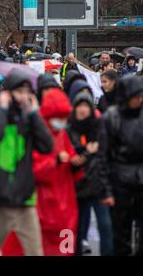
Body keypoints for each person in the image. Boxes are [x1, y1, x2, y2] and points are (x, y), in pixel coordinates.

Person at [0, 71, 53, 256]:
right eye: (19, 90)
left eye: (27, 91)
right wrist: (2, 110)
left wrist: (34, 114)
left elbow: (47, 146)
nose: (23, 95)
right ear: (7, 92)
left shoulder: (28, 117)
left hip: (24, 198)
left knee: (35, 251)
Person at [2, 89, 83, 256]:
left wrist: (75, 164)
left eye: (64, 117)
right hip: (40, 201)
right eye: (58, 117)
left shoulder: (62, 135)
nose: (61, 122)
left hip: (63, 201)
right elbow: (32, 169)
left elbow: (71, 161)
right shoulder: (35, 134)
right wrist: (56, 162)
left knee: (62, 245)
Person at [98, 75, 143, 255]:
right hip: (119, 184)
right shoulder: (112, 117)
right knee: (120, 236)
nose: (139, 99)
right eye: (136, 96)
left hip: (140, 182)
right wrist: (106, 190)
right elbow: (103, 156)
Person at [67, 93, 114, 256]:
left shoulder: (98, 127)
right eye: (79, 106)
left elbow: (102, 157)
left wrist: (107, 190)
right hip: (77, 187)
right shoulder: (70, 128)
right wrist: (87, 153)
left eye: (86, 106)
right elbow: (71, 158)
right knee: (76, 230)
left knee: (106, 227)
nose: (82, 110)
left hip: (97, 185)